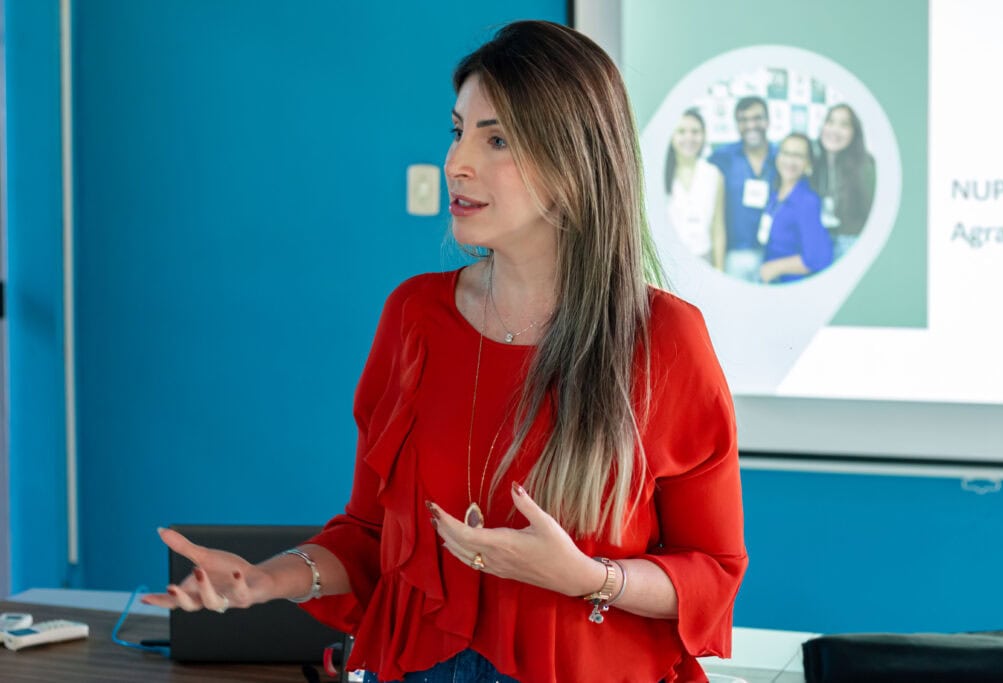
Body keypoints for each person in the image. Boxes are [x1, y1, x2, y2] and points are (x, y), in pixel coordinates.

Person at [143, 21, 746, 683]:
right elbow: (371, 535)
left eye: (497, 139)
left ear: (575, 163)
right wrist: (267, 580)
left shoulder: (664, 338)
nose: (456, 162)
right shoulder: (415, 316)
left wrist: (586, 577)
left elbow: (712, 572)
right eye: (458, 131)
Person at [709, 96, 777, 283]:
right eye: (743, 120)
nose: (750, 125)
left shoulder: (782, 156)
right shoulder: (721, 158)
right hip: (734, 256)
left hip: (774, 256)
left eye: (757, 118)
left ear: (768, 121)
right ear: (737, 124)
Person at [759, 133, 833, 284]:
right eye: (785, 153)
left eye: (798, 156)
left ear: (808, 163)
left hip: (792, 286)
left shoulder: (807, 201)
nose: (790, 161)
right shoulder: (775, 194)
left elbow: (816, 258)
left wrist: (775, 268)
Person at [810, 103, 876, 260]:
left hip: (852, 245)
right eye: (830, 122)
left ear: (854, 133)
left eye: (844, 125)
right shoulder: (816, 163)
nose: (834, 130)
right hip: (822, 243)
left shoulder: (865, 166)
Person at [664, 109, 726, 270]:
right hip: (668, 261)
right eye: (681, 131)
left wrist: (719, 270)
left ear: (704, 135)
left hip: (703, 258)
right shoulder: (660, 174)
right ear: (671, 136)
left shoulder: (714, 174)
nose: (689, 138)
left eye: (695, 132)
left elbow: (717, 228)